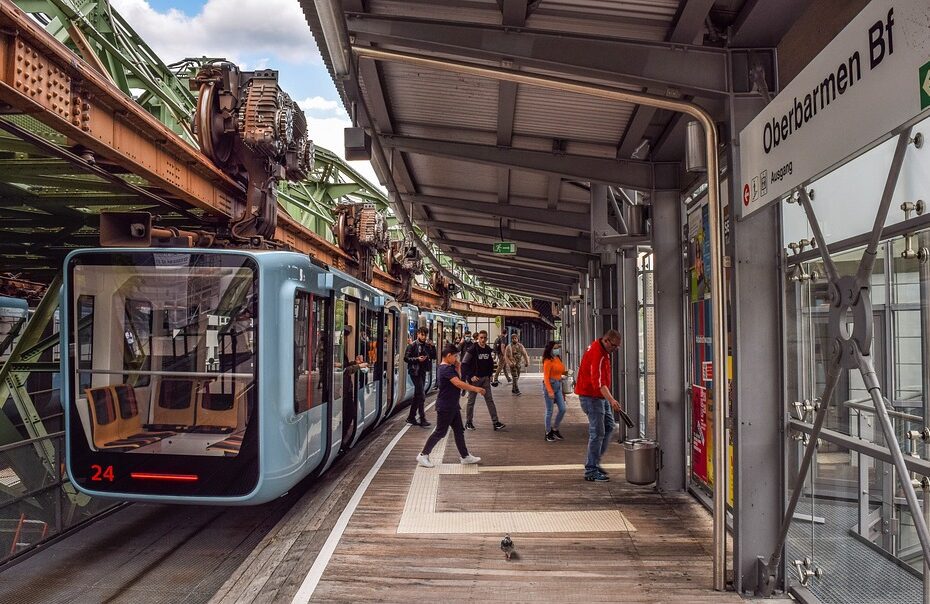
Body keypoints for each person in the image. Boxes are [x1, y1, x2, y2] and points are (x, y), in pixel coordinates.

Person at [416, 344, 484, 468]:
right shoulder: (445, 369)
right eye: (455, 356)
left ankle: (465, 456)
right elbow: (459, 383)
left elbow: (459, 378)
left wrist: (458, 367)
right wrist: (475, 389)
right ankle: (423, 455)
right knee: (440, 432)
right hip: (445, 406)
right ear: (448, 356)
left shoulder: (450, 367)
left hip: (453, 405)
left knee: (459, 430)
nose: (456, 358)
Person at [575, 328, 624, 482]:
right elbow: (599, 383)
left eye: (617, 347)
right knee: (597, 433)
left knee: (609, 426)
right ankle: (591, 470)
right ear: (606, 340)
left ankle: (594, 462)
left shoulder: (601, 350)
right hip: (592, 398)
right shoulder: (598, 354)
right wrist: (612, 400)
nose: (615, 349)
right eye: (614, 346)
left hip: (597, 398)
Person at [461, 330, 506, 431]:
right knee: (471, 401)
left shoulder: (487, 349)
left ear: (487, 338)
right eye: (481, 338)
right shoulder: (472, 349)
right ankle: (468, 422)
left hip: (485, 379)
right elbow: (464, 364)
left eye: (485, 338)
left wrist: (490, 375)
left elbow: (490, 363)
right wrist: (471, 375)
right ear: (478, 338)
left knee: (489, 400)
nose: (483, 340)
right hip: (475, 380)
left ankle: (495, 422)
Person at [341, 324, 369, 449]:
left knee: (350, 413)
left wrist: (354, 363)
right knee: (349, 413)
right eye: (346, 336)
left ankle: (342, 440)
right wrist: (359, 366)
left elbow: (344, 366)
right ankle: (341, 440)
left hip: (346, 388)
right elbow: (342, 370)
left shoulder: (339, 348)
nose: (347, 339)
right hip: (343, 389)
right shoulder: (332, 348)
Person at [404, 326, 434, 427]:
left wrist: (433, 347)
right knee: (421, 395)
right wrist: (417, 359)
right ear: (418, 334)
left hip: (422, 372)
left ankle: (411, 417)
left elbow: (433, 356)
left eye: (425, 335)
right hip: (414, 372)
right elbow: (406, 358)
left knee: (418, 395)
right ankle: (422, 419)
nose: (424, 337)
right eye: (422, 334)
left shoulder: (427, 345)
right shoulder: (412, 345)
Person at [542, 340, 567, 442]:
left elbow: (560, 370)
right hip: (550, 386)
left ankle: (555, 429)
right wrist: (549, 391)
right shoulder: (547, 361)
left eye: (558, 348)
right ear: (551, 349)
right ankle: (548, 432)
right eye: (555, 348)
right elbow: (546, 377)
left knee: (562, 409)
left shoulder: (557, 358)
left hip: (558, 386)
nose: (557, 350)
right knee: (549, 411)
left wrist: (566, 373)